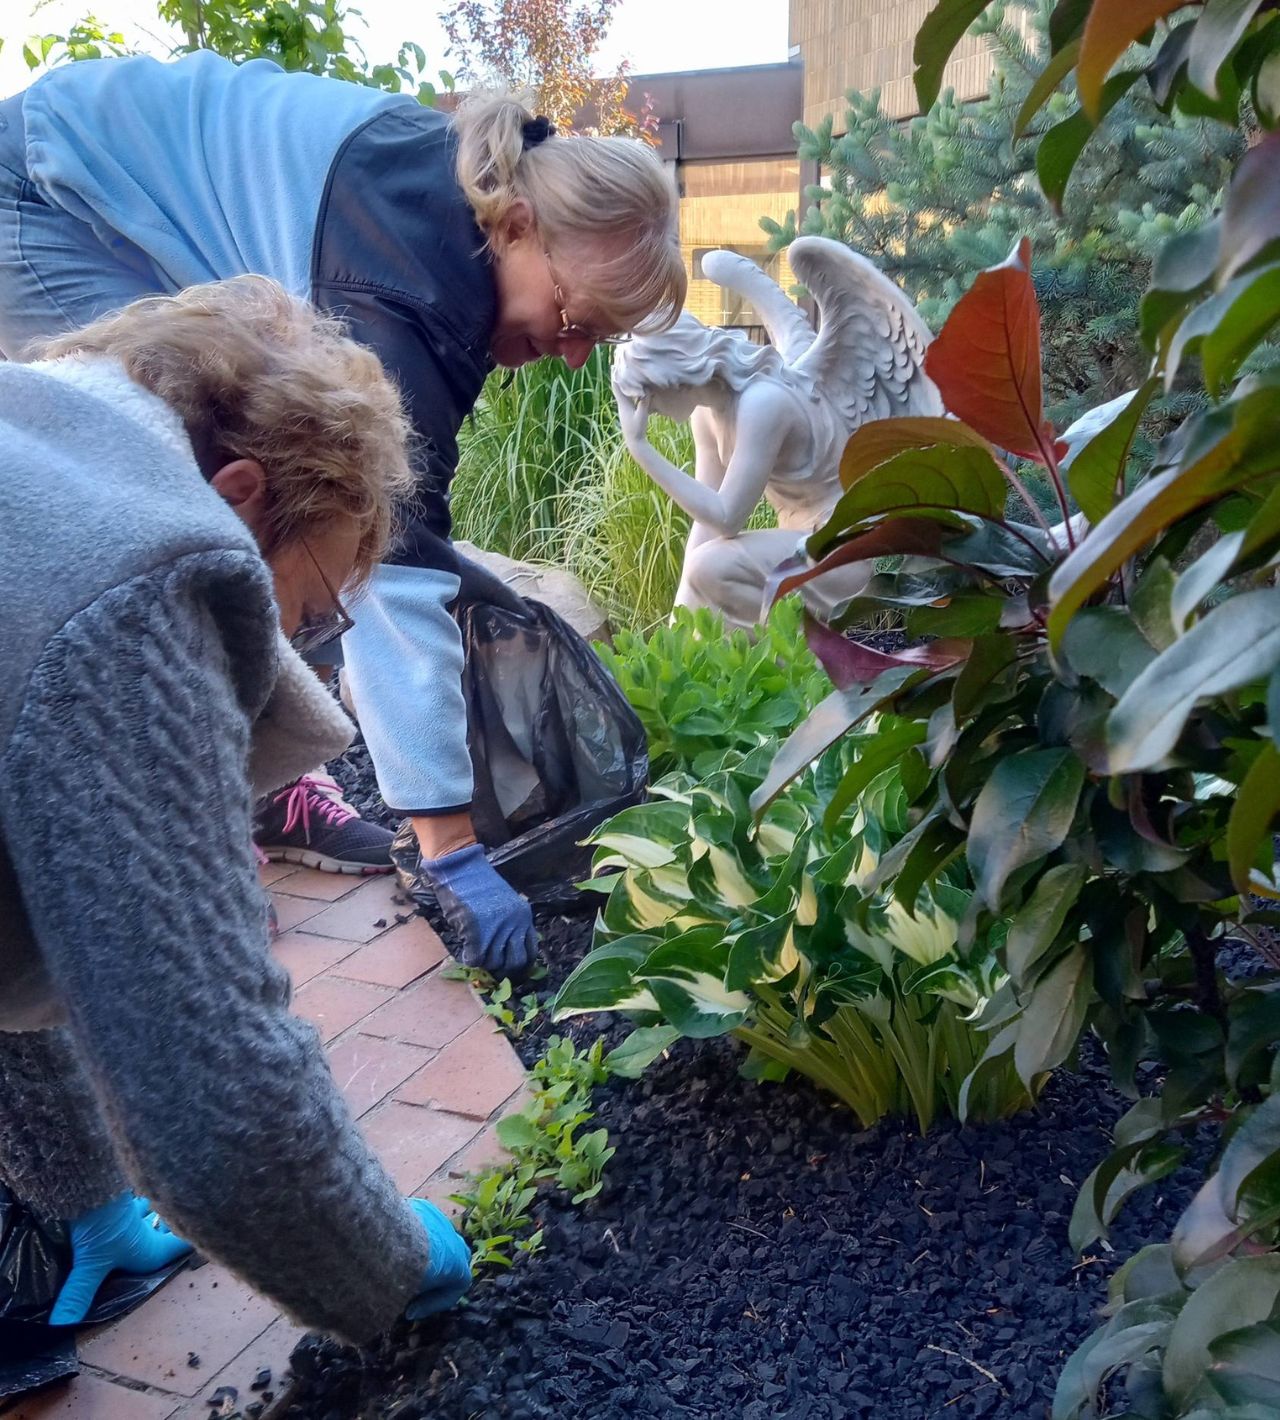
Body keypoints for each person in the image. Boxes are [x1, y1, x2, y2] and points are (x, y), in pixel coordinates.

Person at [0, 53, 685, 977]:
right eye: (578, 320)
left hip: (87, 178)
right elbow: (388, 568)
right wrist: (450, 846)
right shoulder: (405, 289)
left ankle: (269, 791)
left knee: (262, 499)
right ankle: (179, 844)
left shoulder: (458, 234)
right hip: (49, 193)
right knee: (167, 496)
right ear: (521, 228)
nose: (571, 357)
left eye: (594, 343)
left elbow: (404, 506)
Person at [0, 277, 470, 1336]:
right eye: (303, 612)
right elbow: (220, 1113)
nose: (300, 644)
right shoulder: (139, 571)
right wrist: (392, 1268)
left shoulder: (36, 445)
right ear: (242, 493)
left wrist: (89, 1200)